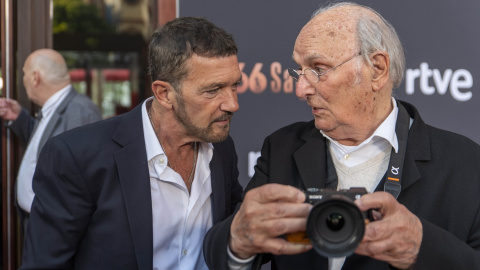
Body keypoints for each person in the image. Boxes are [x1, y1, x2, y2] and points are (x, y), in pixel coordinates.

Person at [203, 2, 480, 270]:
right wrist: (237, 239)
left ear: (377, 69)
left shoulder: (467, 165)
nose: (301, 90)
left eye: (318, 70)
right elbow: (223, 254)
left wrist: (422, 247)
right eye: (299, 70)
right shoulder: (282, 148)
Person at [20, 17, 243, 270]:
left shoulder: (221, 148)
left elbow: (231, 238)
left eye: (235, 85)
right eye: (213, 90)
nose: (232, 104)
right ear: (164, 93)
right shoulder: (78, 157)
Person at [0, 48, 101, 229]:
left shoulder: (79, 112)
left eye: (24, 74)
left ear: (35, 77)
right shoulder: (54, 107)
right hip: (42, 222)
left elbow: (84, 181)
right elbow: (46, 145)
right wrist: (19, 118)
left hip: (55, 228)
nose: (23, 80)